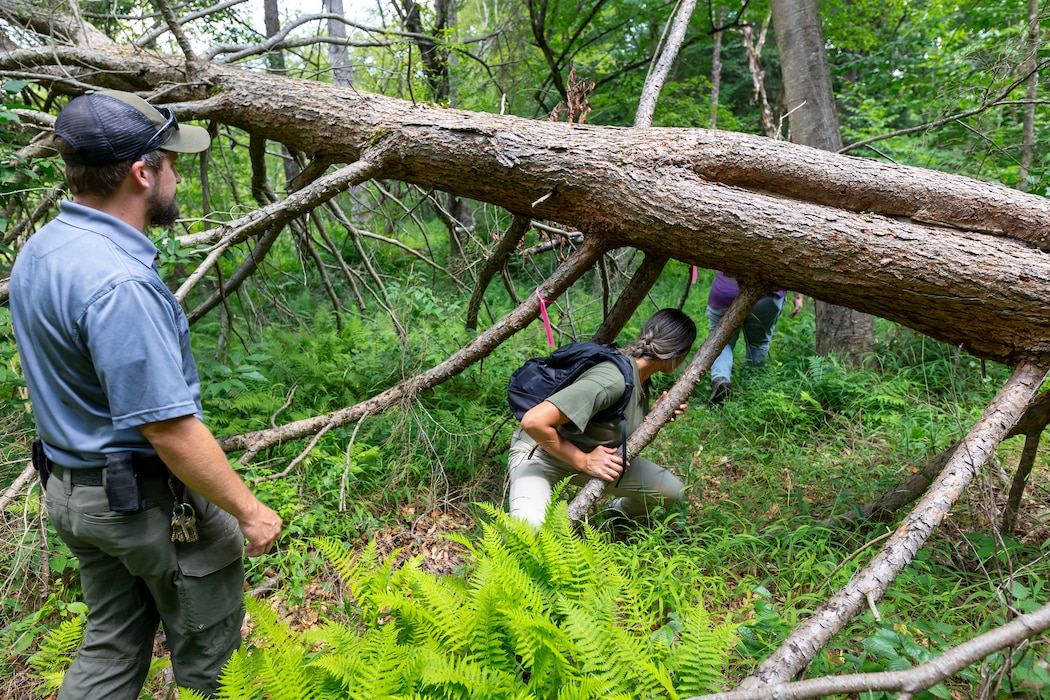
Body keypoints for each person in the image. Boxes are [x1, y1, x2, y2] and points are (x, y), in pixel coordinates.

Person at [9, 90, 283, 698]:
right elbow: (168, 428)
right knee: (216, 667)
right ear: (141, 173)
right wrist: (250, 512)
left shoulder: (43, 249)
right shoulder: (119, 282)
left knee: (110, 646)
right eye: (170, 163)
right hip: (149, 506)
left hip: (74, 495)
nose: (177, 177)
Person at [507, 308, 697, 528]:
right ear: (678, 354)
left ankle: (618, 518)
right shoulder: (612, 379)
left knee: (671, 492)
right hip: (541, 455)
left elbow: (627, 441)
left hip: (591, 460)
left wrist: (655, 418)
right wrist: (584, 461)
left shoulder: (641, 380)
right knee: (529, 528)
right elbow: (533, 421)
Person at [706, 271, 803, 405]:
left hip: (725, 292)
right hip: (766, 296)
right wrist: (798, 295)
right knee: (758, 343)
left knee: (722, 341)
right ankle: (751, 388)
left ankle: (721, 378)